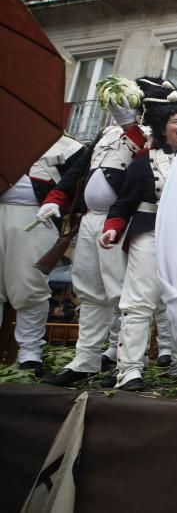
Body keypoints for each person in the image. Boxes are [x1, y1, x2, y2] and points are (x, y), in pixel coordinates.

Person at [40, 79, 156, 386]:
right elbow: (78, 172)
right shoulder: (104, 134)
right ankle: (86, 359)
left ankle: (126, 360)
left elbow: (147, 160)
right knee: (90, 293)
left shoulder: (147, 134)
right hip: (91, 220)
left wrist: (131, 125)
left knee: (124, 294)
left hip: (121, 220)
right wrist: (55, 199)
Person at [99, 85, 177, 394]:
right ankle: (130, 369)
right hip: (150, 233)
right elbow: (124, 202)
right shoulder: (144, 160)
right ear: (163, 127)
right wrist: (113, 227)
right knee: (138, 303)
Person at [0, 135, 85, 377]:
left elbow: (75, 183)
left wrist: (61, 206)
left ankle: (29, 353)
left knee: (30, 286)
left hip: (36, 219)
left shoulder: (69, 147)